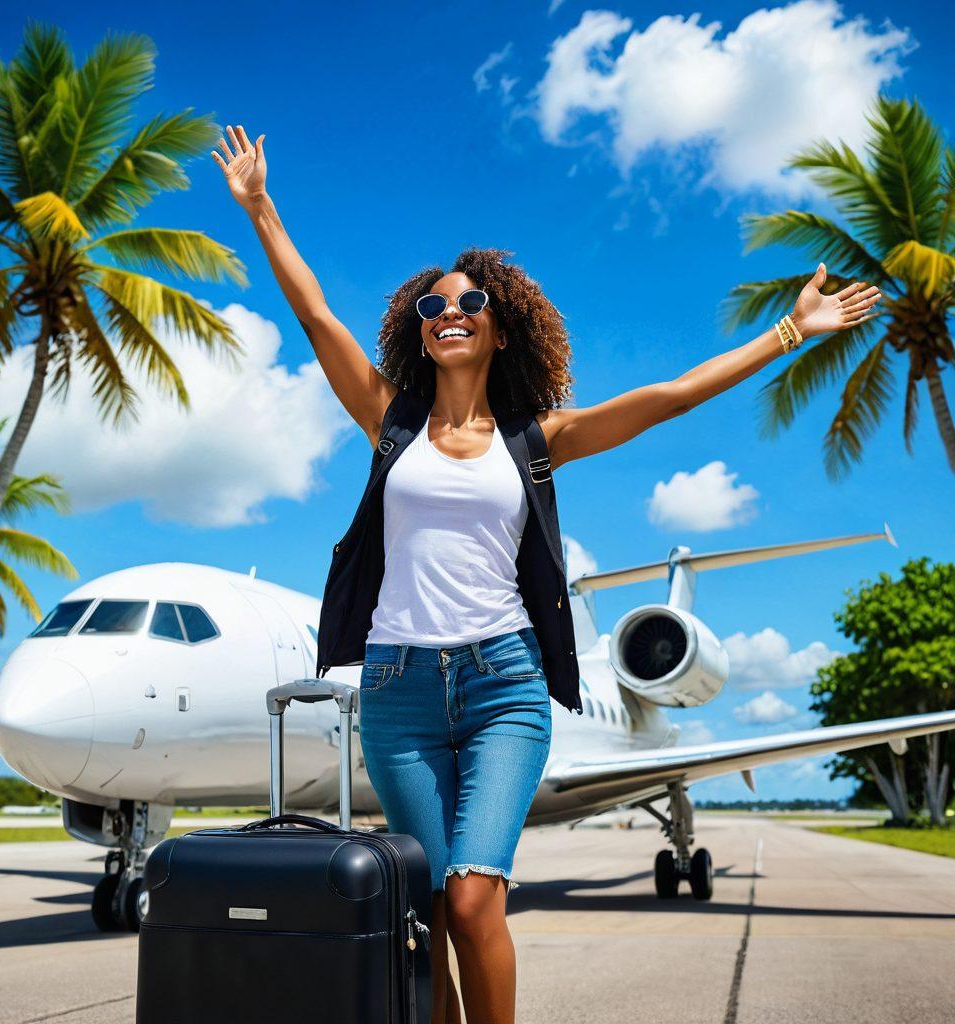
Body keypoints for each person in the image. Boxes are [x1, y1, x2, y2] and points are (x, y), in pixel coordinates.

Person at [212, 123, 880, 1024]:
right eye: (432, 304)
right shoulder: (388, 421)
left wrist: (789, 331)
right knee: (429, 911)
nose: (450, 311)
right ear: (419, 326)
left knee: (476, 895)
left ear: (500, 326)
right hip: (398, 689)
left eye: (471, 300)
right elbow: (316, 317)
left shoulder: (538, 440)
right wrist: (261, 208)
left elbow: (671, 398)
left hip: (504, 686)